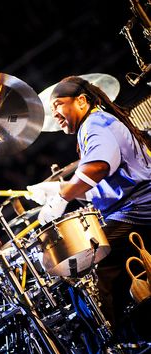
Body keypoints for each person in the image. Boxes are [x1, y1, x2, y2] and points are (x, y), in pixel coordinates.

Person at [27, 75, 151, 334]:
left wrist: (63, 197)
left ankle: (116, 342)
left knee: (85, 267)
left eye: (58, 105)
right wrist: (57, 189)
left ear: (81, 101)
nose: (56, 114)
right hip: (132, 210)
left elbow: (98, 167)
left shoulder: (94, 123)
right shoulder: (97, 123)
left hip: (139, 212)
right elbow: (104, 184)